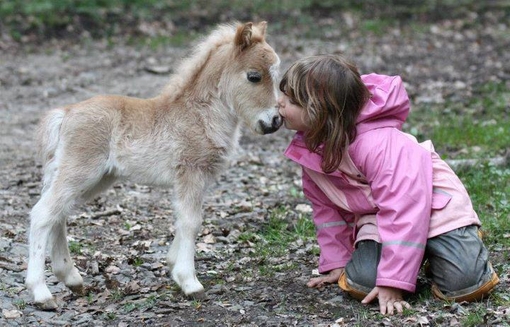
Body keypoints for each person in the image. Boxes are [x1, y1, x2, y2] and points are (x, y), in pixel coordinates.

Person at [278, 54, 499, 315]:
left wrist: (393, 282)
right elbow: (327, 211)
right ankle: (415, 257)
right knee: (359, 283)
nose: (278, 103)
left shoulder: (379, 145)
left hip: (434, 208)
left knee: (467, 286)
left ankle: (458, 243)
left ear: (320, 111)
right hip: (380, 216)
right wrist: (337, 261)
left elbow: (404, 209)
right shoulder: (312, 150)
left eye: (291, 101)